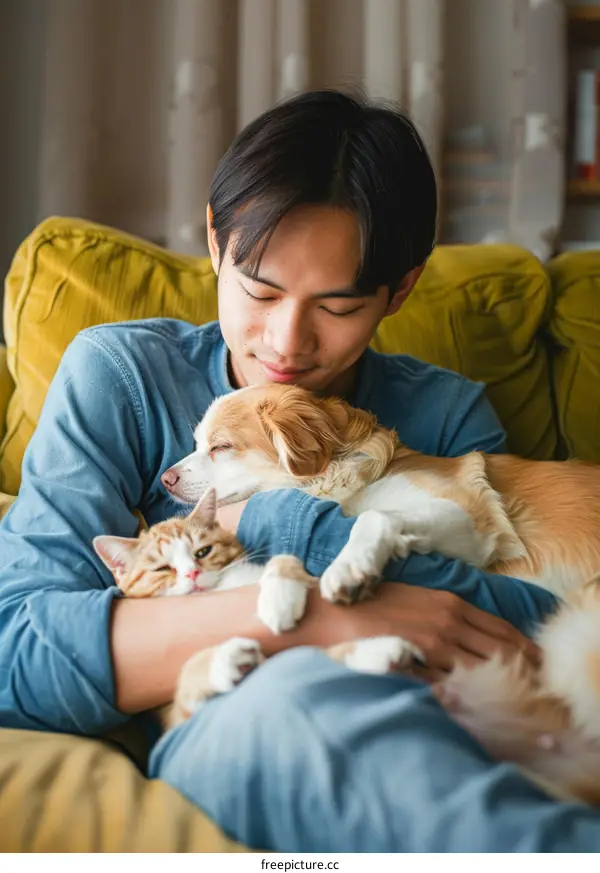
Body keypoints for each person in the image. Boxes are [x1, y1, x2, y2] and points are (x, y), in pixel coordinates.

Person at [1, 89, 595, 851]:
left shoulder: (443, 414)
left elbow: (512, 622)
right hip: (241, 709)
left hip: (453, 704)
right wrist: (321, 615)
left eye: (339, 307)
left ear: (399, 289)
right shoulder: (123, 376)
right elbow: (17, 648)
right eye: (260, 291)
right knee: (304, 703)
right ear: (215, 242)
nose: (287, 342)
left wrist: (271, 521)